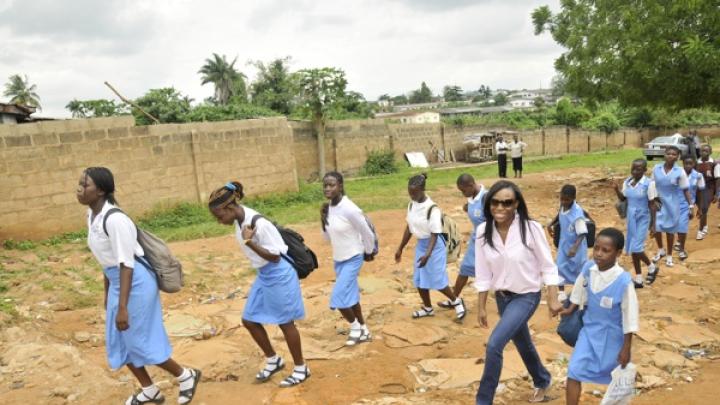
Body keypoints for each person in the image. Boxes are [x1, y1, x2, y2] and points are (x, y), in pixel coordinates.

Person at [76, 167, 201, 405]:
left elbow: (126, 264)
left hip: (135, 283)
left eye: (85, 185)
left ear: (101, 190)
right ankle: (149, 390)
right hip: (117, 283)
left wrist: (122, 306)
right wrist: (108, 296)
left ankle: (186, 376)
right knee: (120, 341)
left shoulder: (116, 220)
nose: (79, 189)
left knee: (140, 340)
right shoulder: (92, 217)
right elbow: (108, 261)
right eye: (79, 184)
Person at [208, 181, 309, 387]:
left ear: (230, 207)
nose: (220, 221)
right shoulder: (239, 220)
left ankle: (301, 368)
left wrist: (250, 242)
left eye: (220, 216)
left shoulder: (258, 223)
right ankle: (274, 360)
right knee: (250, 319)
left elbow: (275, 256)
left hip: (279, 274)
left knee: (285, 322)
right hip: (264, 274)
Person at [474, 180, 562, 405]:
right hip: (502, 298)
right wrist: (481, 306)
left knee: (495, 344)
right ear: (488, 204)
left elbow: (548, 266)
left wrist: (553, 298)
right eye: (495, 202)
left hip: (527, 296)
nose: (500, 208)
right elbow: (483, 272)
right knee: (522, 342)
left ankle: (483, 401)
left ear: (516, 205)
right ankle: (542, 379)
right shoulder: (483, 231)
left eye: (507, 203)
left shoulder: (530, 228)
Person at [561, 228, 639, 405]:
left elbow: (630, 316)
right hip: (589, 332)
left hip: (614, 337)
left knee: (616, 378)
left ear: (618, 253)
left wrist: (626, 348)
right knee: (574, 371)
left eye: (606, 250)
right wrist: (570, 308)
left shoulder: (624, 282)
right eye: (596, 248)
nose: (598, 254)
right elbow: (580, 288)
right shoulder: (589, 268)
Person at [395, 173, 466, 321]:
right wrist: (400, 247)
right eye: (409, 193)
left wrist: (428, 254)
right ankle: (427, 308)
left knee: (437, 279)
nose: (411, 196)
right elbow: (409, 227)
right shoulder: (411, 204)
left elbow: (435, 234)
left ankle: (456, 301)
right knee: (420, 279)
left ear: (422, 190)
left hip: (434, 246)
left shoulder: (432, 209)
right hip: (421, 244)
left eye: (414, 193)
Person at [320, 171, 376, 346]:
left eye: (332, 185)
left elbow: (366, 231)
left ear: (341, 186)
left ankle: (355, 327)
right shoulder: (328, 208)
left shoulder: (350, 208)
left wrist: (368, 251)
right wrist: (323, 220)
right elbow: (327, 238)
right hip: (339, 259)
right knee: (351, 297)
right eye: (325, 185)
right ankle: (364, 330)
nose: (328, 188)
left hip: (353, 256)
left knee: (338, 297)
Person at [438, 174, 486, 310]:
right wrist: (467, 207)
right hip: (476, 240)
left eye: (464, 191)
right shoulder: (472, 199)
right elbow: (472, 209)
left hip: (488, 241)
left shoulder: (486, 198)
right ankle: (454, 299)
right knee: (465, 269)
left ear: (471, 185)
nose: (463, 194)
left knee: (496, 270)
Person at [612, 159, 657, 287]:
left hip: (643, 216)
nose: (635, 171)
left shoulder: (649, 184)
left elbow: (652, 204)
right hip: (631, 217)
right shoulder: (628, 182)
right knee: (633, 248)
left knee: (637, 247)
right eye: (633, 169)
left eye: (638, 169)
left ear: (645, 170)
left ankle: (652, 267)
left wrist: (653, 224)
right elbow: (623, 198)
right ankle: (638, 278)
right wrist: (616, 189)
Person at [651, 146, 692, 268]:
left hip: (673, 203)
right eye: (668, 153)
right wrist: (651, 200)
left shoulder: (680, 171)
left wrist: (690, 205)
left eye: (674, 154)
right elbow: (652, 185)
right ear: (664, 154)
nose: (671, 156)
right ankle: (660, 250)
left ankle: (669, 255)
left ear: (678, 157)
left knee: (670, 230)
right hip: (658, 201)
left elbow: (685, 190)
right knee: (657, 227)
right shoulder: (656, 168)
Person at [547, 185, 588, 301]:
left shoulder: (577, 214)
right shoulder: (563, 206)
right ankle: (561, 292)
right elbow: (560, 214)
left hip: (576, 245)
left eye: (567, 200)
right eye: (562, 199)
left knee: (578, 269)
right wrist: (551, 224)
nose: (564, 202)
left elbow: (582, 233)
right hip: (564, 243)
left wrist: (575, 248)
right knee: (559, 267)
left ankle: (579, 291)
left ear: (574, 198)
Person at [674, 157, 704, 260]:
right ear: (682, 163)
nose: (688, 165)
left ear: (694, 164)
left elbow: (699, 193)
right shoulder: (677, 174)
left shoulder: (698, 176)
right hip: (674, 204)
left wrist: (699, 208)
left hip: (687, 205)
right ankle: (679, 241)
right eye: (686, 163)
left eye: (690, 163)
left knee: (682, 226)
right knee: (677, 225)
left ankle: (682, 249)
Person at [696, 144, 718, 239]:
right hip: (698, 189)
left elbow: (717, 179)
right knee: (701, 207)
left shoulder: (714, 163)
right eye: (702, 151)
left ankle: (700, 230)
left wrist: (717, 193)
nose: (704, 152)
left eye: (706, 151)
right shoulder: (696, 163)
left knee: (704, 207)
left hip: (709, 188)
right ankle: (705, 226)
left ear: (710, 152)